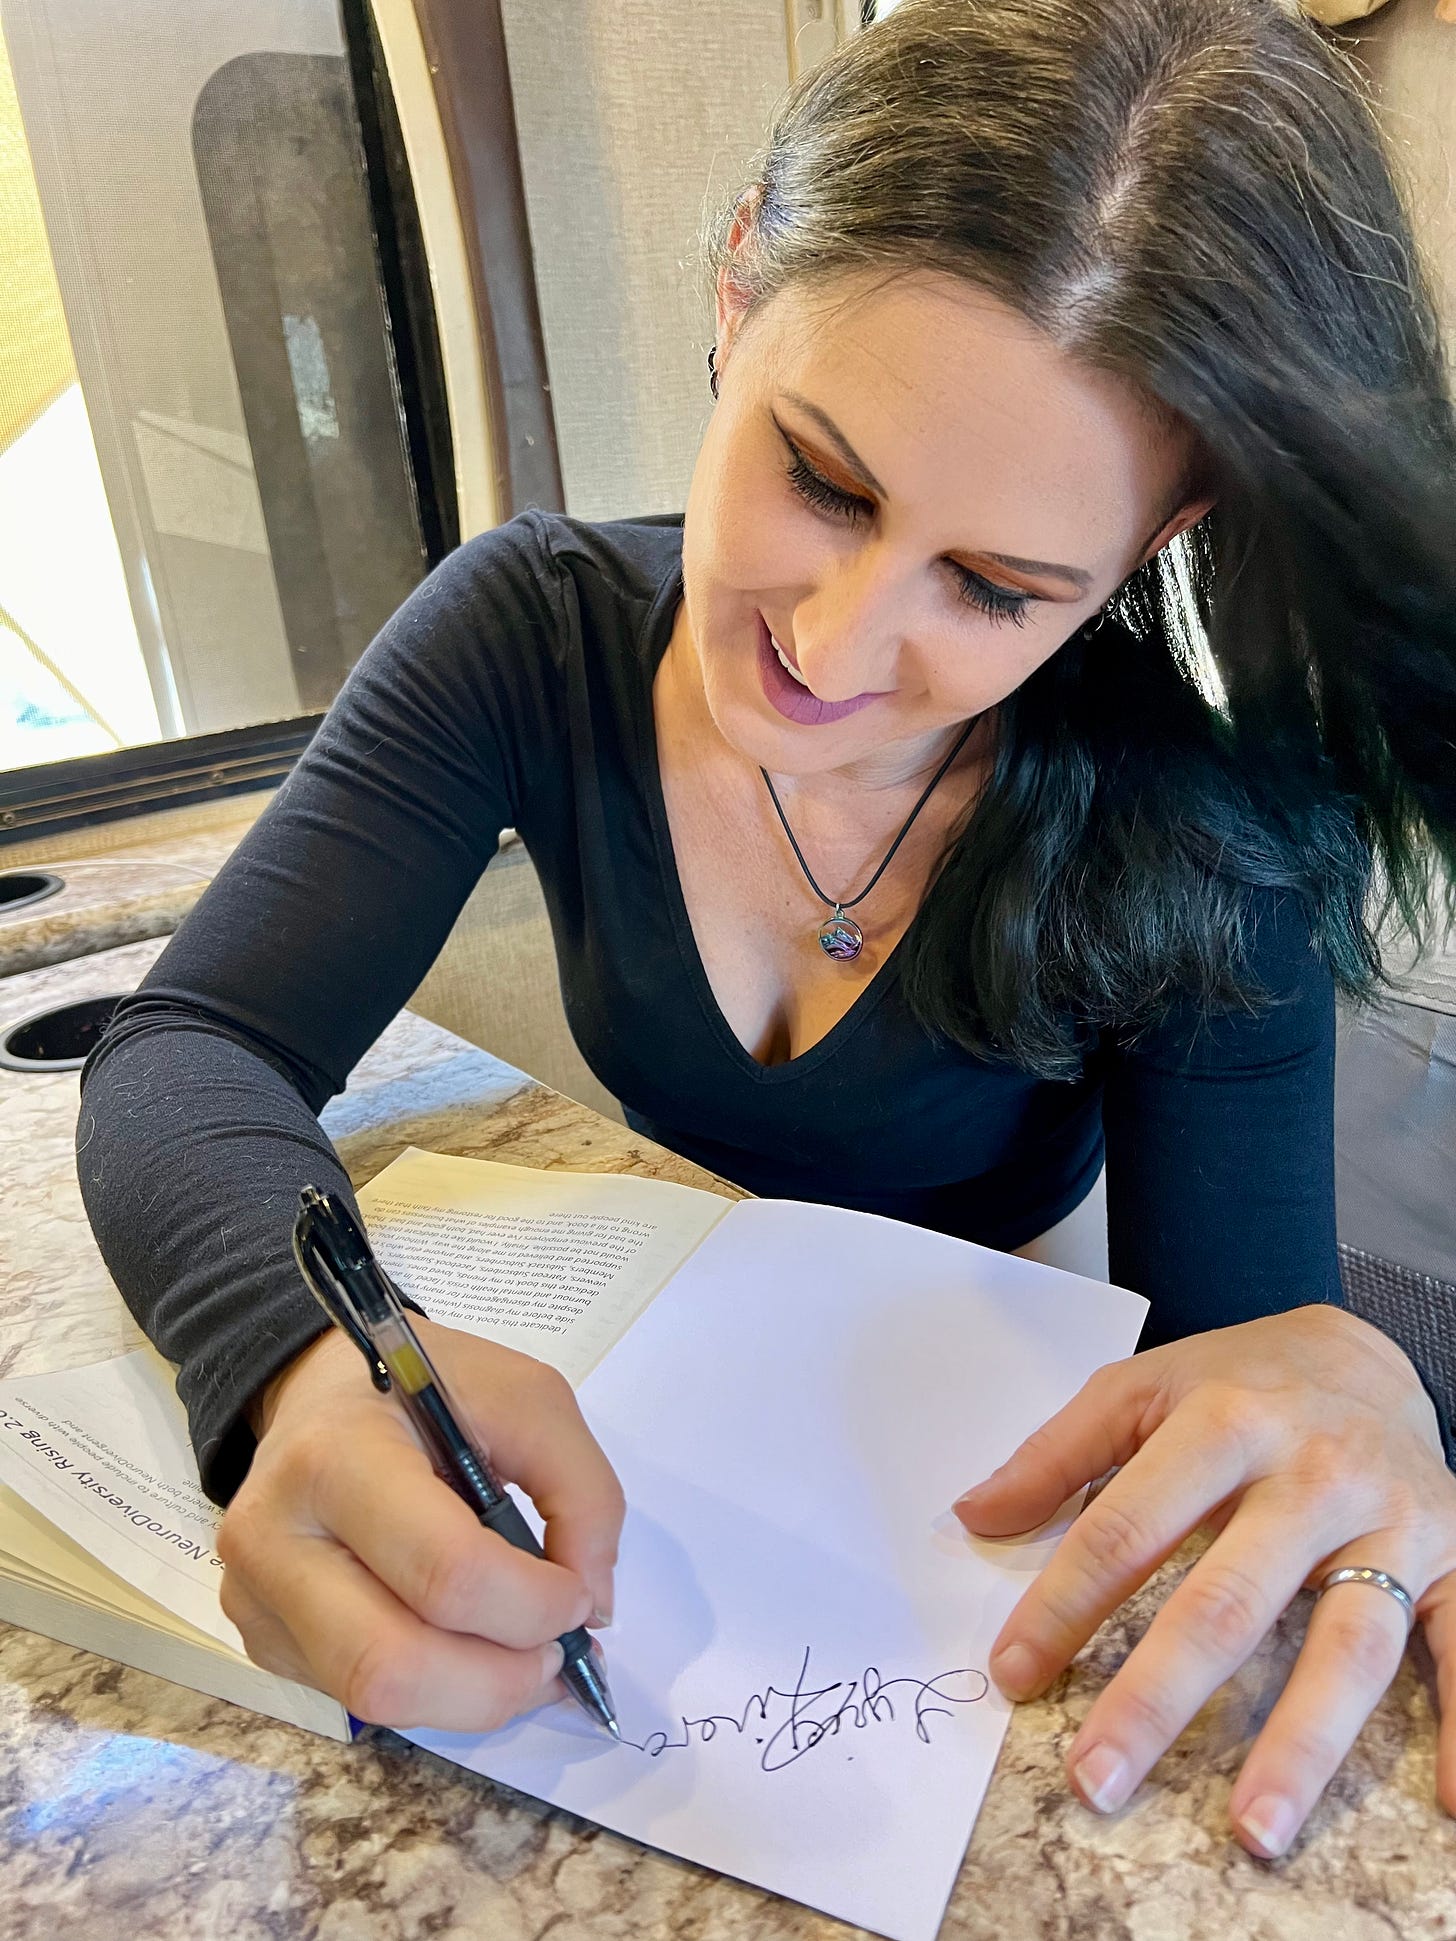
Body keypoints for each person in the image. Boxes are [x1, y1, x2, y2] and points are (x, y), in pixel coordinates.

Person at [76, 0, 1456, 1864]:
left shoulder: (1199, 839)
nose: (836, 646)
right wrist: (297, 1355)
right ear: (740, 286)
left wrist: (1352, 1384)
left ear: (1150, 547)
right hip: (648, 1435)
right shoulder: (528, 633)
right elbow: (192, 1050)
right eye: (822, 475)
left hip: (944, 1539)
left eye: (992, 587)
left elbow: (1241, 1368)